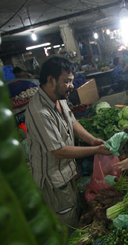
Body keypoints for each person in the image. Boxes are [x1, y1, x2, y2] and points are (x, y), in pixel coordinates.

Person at [25, 57, 111, 232]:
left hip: (66, 173)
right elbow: (59, 151)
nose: (72, 85)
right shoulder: (39, 111)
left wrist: (92, 140)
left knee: (75, 212)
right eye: (67, 81)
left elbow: (72, 122)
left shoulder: (59, 98)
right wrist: (95, 150)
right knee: (66, 221)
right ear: (51, 80)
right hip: (53, 181)